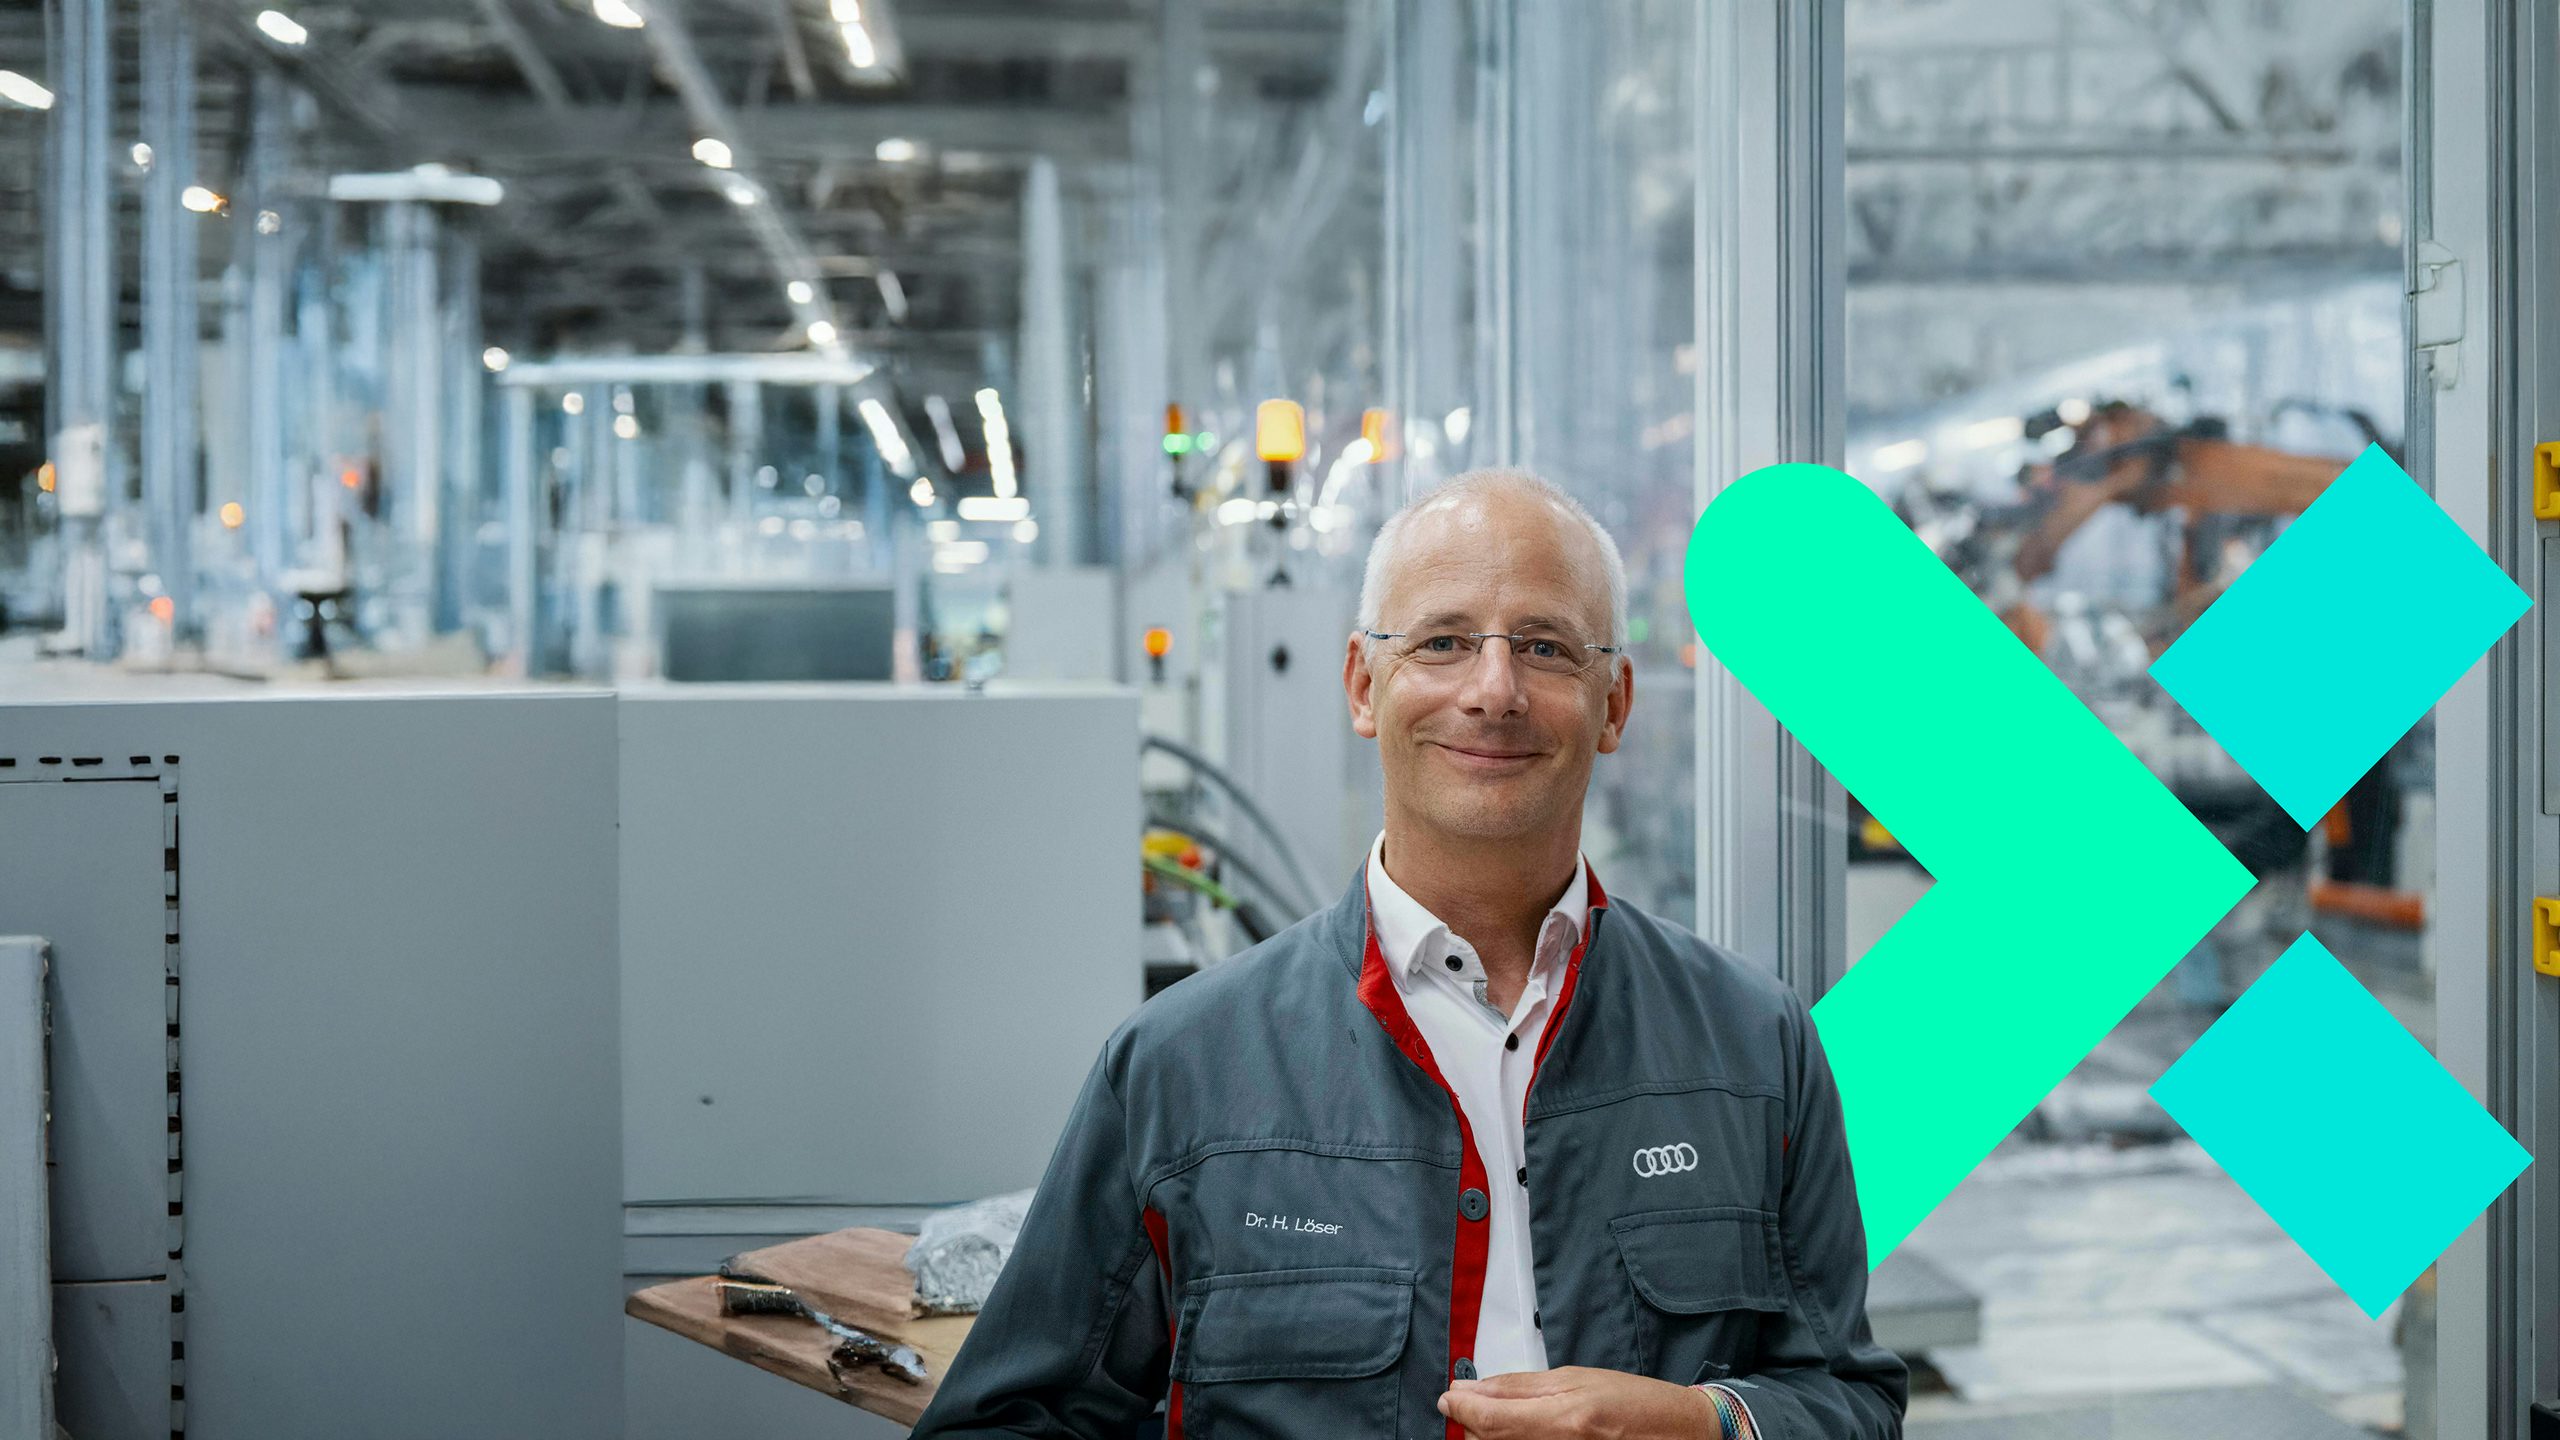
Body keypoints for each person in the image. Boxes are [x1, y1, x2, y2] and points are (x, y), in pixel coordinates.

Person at [910, 468, 1905, 1440]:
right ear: (1362, 684)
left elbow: (1852, 1401)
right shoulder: (1180, 1067)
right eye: (1442, 641)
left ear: (1613, 704)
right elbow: (1003, 1419)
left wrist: (1706, 1425)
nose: (1494, 689)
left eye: (1546, 647)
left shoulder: (1754, 1045)